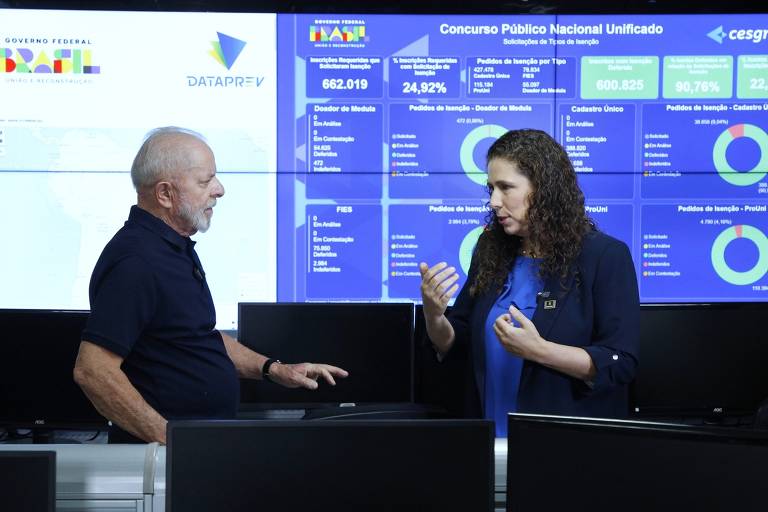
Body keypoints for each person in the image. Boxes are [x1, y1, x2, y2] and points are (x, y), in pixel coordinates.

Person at [73, 127, 348, 444]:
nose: (219, 190)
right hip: (169, 461)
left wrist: (273, 369)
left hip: (197, 449)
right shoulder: (137, 261)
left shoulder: (173, 248)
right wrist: (171, 440)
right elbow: (93, 371)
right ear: (165, 194)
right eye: (205, 181)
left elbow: (194, 336)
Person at [419, 129, 639, 437]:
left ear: (544, 190)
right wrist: (434, 315)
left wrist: (540, 350)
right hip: (487, 441)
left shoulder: (605, 256)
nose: (494, 201)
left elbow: (620, 362)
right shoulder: (489, 250)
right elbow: (457, 343)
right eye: (491, 188)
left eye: (506, 187)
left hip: (561, 448)